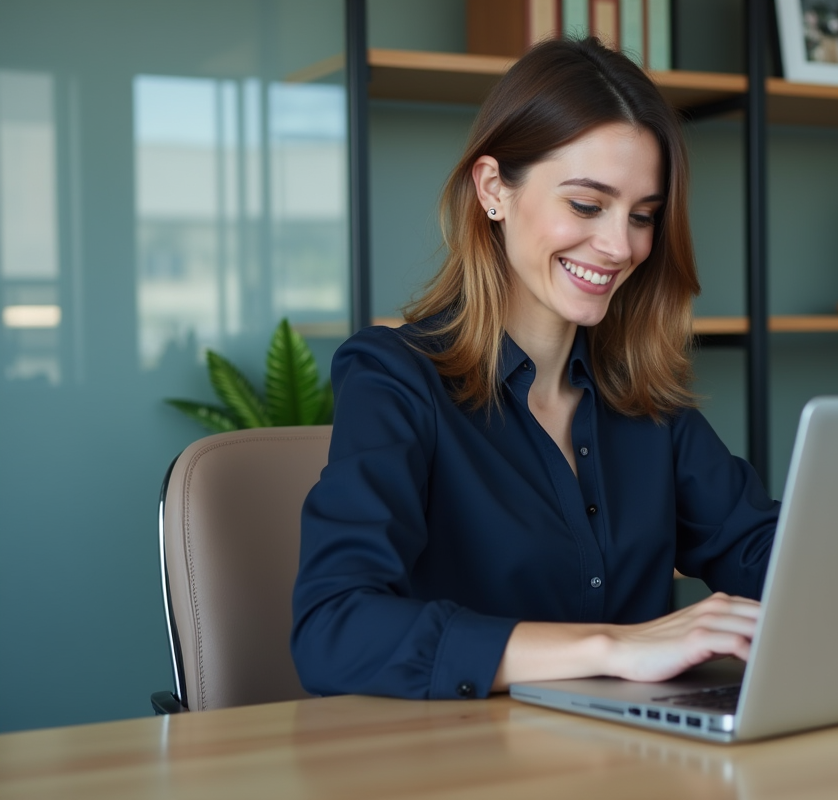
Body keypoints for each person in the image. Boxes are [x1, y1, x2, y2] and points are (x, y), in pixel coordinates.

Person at [291, 37, 779, 701]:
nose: (620, 246)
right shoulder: (395, 378)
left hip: (636, 762)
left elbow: (764, 551)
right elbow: (334, 630)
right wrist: (613, 645)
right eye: (585, 204)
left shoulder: (641, 397)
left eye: (643, 216)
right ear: (494, 188)